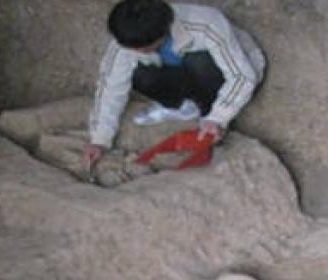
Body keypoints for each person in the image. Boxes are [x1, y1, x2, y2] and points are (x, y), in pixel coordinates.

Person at [84, 0, 266, 168]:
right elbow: (111, 87)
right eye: (134, 48)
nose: (138, 51)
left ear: (163, 31)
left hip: (231, 69)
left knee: (199, 62)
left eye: (144, 47)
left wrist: (217, 117)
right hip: (182, 73)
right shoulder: (128, 39)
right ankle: (185, 106)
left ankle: (209, 114)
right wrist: (99, 140)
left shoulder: (205, 23)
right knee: (140, 74)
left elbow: (242, 76)